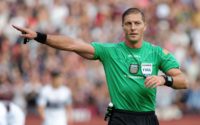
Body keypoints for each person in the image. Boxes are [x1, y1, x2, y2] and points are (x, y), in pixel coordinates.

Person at [13, 7, 188, 125]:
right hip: (120, 117)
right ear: (122, 27)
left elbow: (183, 81)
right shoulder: (110, 51)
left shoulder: (157, 53)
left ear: (145, 26)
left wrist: (163, 79)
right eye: (128, 23)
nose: (133, 27)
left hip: (147, 117)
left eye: (137, 23)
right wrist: (39, 36)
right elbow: (74, 44)